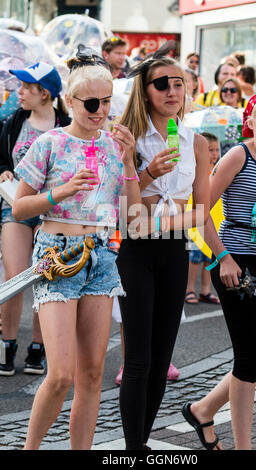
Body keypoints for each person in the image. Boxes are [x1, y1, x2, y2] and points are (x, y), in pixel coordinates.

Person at [11, 51, 140, 450]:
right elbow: (18, 208)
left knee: (92, 374)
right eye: (91, 103)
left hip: (101, 255)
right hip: (57, 254)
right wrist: (60, 192)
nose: (100, 111)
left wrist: (130, 160)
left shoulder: (114, 146)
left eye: (106, 102)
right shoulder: (49, 142)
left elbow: (132, 210)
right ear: (70, 101)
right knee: (62, 373)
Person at [181, 91, 256, 450]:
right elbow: (200, 210)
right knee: (248, 360)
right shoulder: (238, 155)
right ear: (250, 122)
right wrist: (222, 258)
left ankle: (202, 409)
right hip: (233, 263)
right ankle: (243, 446)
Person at [116, 42, 210, 450]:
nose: (172, 91)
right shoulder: (129, 139)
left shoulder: (196, 143)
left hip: (173, 251)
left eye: (179, 84)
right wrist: (148, 173)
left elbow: (202, 211)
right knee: (137, 360)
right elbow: (125, 218)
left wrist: (156, 214)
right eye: (162, 84)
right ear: (145, 90)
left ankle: (143, 443)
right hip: (136, 257)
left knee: (160, 359)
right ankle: (133, 450)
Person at [0, 62, 70, 376]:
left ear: (45, 93)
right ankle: (7, 343)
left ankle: (38, 348)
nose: (20, 92)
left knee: (45, 275)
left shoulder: (67, 124)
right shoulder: (13, 121)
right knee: (15, 277)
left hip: (53, 212)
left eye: (27, 87)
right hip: (14, 207)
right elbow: (2, 158)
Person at [185, 132, 220, 305]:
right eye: (210, 150)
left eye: (216, 150)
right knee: (195, 257)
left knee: (210, 257)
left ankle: (206, 290)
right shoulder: (198, 168)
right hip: (195, 222)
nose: (214, 154)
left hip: (212, 219)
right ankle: (189, 289)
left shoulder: (219, 169)